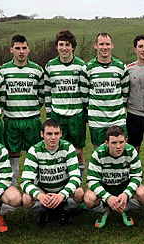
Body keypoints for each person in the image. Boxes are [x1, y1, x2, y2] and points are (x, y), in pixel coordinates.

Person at [0, 35, 44, 187]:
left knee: (36, 156)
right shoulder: (3, 70)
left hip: (32, 119)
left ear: (28, 49)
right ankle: (12, 189)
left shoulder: (37, 70)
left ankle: (36, 189)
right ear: (11, 50)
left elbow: (42, 95)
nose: (21, 52)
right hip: (12, 120)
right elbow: (1, 96)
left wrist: (32, 107)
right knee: (12, 156)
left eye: (24, 48)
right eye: (17, 48)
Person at [20, 119, 84, 226]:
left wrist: (62, 195)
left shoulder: (68, 147)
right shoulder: (34, 150)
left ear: (61, 134)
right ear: (42, 134)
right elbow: (25, 181)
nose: (53, 137)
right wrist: (40, 196)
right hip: (44, 191)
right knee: (26, 199)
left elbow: (76, 178)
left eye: (56, 133)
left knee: (79, 193)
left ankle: (65, 210)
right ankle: (44, 211)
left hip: (63, 189)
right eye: (49, 134)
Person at [44, 29, 88, 179]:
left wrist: (85, 114)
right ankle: (60, 184)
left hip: (76, 114)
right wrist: (50, 115)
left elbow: (85, 93)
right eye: (61, 44)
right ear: (56, 46)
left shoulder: (82, 66)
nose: (64, 48)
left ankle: (78, 185)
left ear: (73, 47)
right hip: (58, 115)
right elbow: (48, 93)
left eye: (67, 44)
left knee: (78, 152)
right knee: (58, 152)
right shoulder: (50, 66)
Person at [84, 126, 144, 228]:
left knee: (143, 194)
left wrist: (126, 194)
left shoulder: (131, 151)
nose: (118, 146)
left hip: (123, 186)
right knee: (89, 199)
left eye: (121, 142)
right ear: (107, 143)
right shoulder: (98, 153)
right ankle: (104, 210)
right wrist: (107, 197)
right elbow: (92, 180)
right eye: (114, 143)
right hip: (105, 186)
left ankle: (124, 209)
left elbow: (137, 176)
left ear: (125, 141)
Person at [85, 33, 129, 149]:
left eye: (107, 44)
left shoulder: (121, 67)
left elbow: (125, 94)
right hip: (97, 120)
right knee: (99, 153)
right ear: (96, 46)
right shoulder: (88, 68)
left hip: (117, 119)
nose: (105, 47)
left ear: (112, 46)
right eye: (101, 44)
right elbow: (85, 96)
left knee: (119, 152)